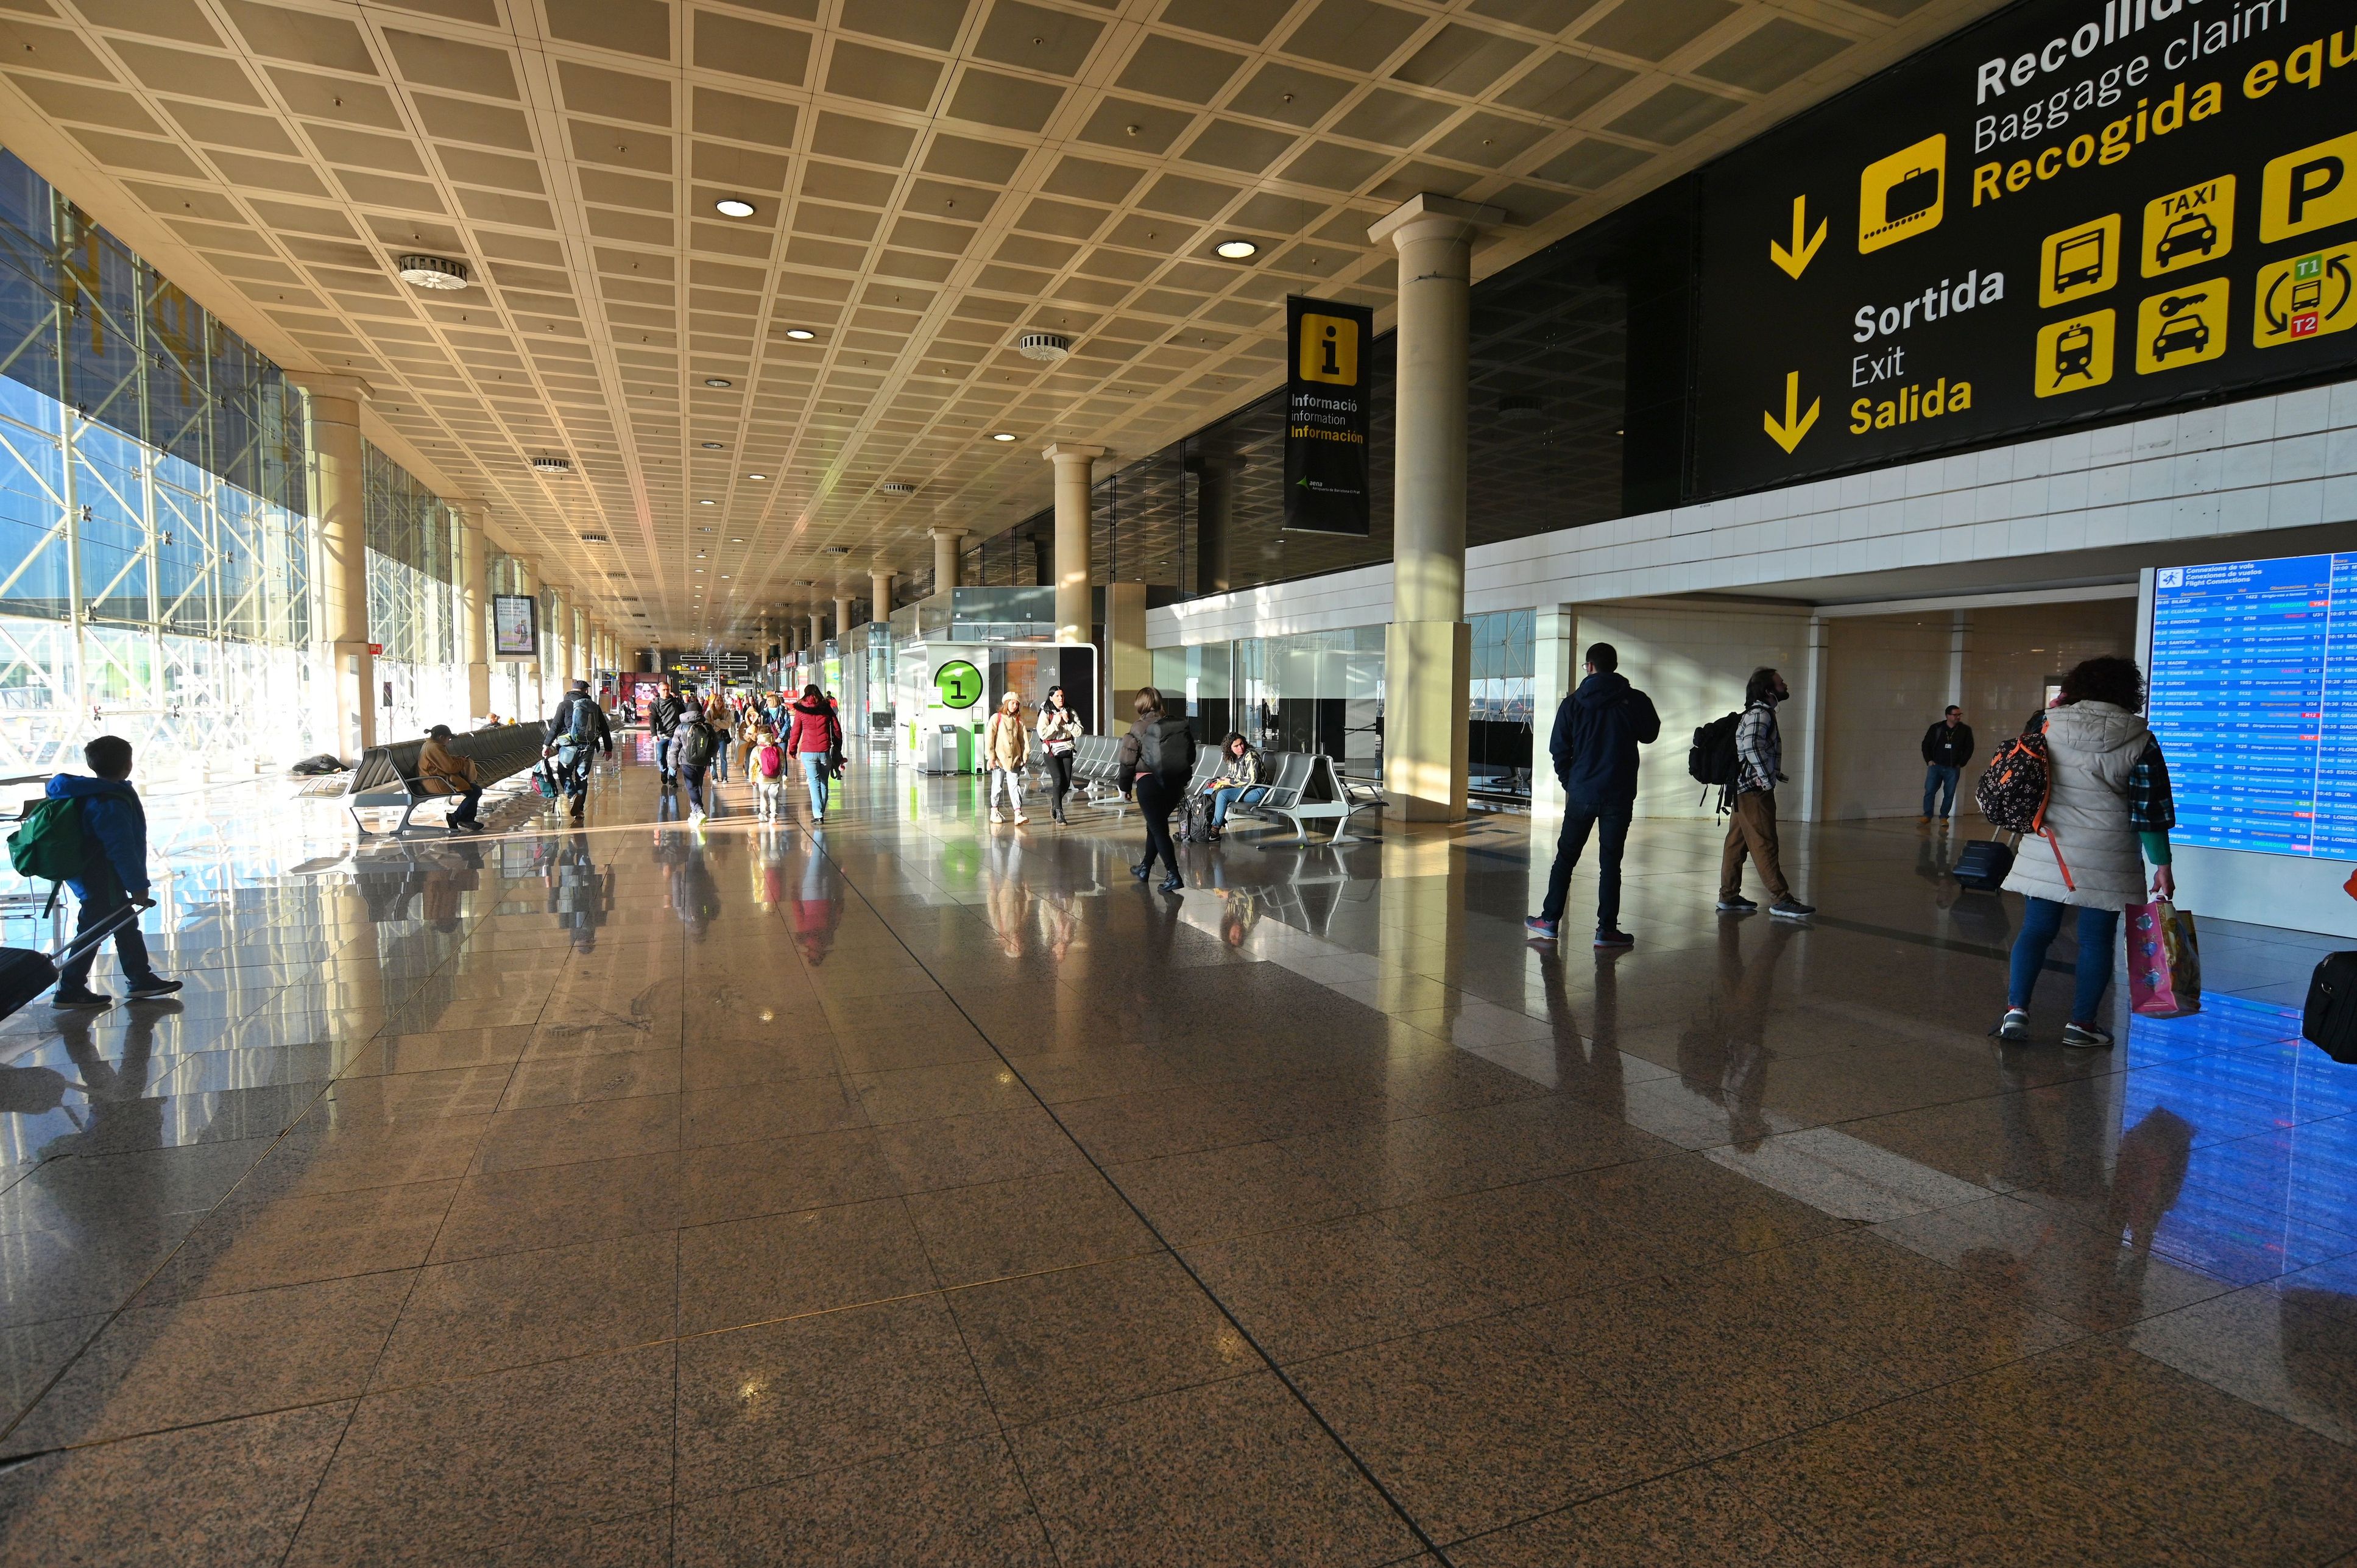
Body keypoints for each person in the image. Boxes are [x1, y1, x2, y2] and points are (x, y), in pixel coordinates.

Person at [1995, 657, 2174, 1049]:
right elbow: (2150, 810)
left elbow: (2025, 775)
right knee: (2096, 941)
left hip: (2049, 846)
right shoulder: (2141, 738)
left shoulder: (2044, 724)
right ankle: (2081, 1025)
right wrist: (2162, 863)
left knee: (2036, 930)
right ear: (2130, 692)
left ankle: (2016, 1012)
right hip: (2108, 853)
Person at [1527, 642, 1660, 948]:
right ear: (1614, 666)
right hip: (1619, 793)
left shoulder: (1572, 703)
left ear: (1589, 667)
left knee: (1565, 858)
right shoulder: (1635, 699)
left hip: (1582, 793)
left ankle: (1549, 921)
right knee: (1611, 862)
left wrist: (1570, 782)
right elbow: (1650, 733)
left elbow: (1558, 749)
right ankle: (1606, 930)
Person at [46, 735, 180, 1006]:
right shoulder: (110, 801)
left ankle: (140, 979)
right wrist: (138, 884)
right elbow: (120, 847)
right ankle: (70, 988)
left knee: (123, 925)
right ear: (127, 765)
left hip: (88, 872)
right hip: (103, 876)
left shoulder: (86, 792)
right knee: (94, 929)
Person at [1717, 666, 1815, 920]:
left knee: (1736, 844)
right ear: (1769, 690)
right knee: (1765, 843)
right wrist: (1765, 778)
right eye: (1781, 683)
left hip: (1742, 788)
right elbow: (1751, 744)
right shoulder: (1761, 714)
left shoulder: (1756, 713)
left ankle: (1728, 895)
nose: (1785, 686)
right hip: (1753, 790)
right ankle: (1781, 899)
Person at [1118, 685, 1196, 894]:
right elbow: (1190, 755)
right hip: (1174, 785)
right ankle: (1145, 868)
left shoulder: (1138, 727)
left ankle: (1173, 875)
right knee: (1155, 826)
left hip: (1149, 784)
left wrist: (1125, 787)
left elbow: (1127, 760)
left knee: (1158, 829)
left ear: (1140, 705)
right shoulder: (1174, 724)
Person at [545, 678, 612, 822]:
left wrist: (547, 744)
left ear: (571, 690)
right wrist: (608, 748)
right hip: (588, 746)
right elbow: (604, 728)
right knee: (582, 777)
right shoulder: (594, 706)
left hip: (568, 746)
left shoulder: (564, 704)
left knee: (564, 774)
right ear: (586, 691)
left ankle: (572, 794)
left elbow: (556, 725)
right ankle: (579, 811)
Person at [417, 724, 486, 834]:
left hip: (438, 779)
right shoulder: (434, 747)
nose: (449, 741)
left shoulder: (432, 745)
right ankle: (456, 818)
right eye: (448, 738)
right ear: (441, 737)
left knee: (475, 790)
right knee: (475, 791)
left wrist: (457, 760)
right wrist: (462, 762)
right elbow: (450, 768)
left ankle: (465, 819)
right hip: (436, 782)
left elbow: (445, 764)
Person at [785, 684, 836, 823]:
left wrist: (792, 749)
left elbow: (795, 731)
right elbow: (837, 728)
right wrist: (838, 746)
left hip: (808, 752)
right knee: (824, 782)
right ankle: (820, 812)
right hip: (824, 751)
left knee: (814, 782)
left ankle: (818, 815)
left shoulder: (801, 711)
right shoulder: (826, 708)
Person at [1920, 704, 1976, 824]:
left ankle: (1944, 816)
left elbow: (1969, 748)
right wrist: (1929, 760)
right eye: (1955, 715)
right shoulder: (1937, 728)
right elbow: (1926, 744)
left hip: (1953, 768)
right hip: (1936, 766)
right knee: (1930, 791)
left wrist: (1961, 763)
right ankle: (1927, 815)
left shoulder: (1964, 730)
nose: (1958, 717)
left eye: (1959, 715)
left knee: (1949, 793)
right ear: (1948, 716)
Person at [1036, 685, 1083, 824]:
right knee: (1057, 780)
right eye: (1057, 696)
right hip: (1051, 751)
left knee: (1066, 783)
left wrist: (1068, 722)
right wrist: (1055, 723)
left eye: (1062, 695)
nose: (1061, 698)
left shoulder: (1071, 711)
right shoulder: (1046, 712)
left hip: (1066, 749)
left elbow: (1079, 732)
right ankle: (1060, 813)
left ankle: (1054, 800)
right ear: (1051, 698)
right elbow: (1043, 733)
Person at [984, 690, 1030, 825]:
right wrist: (991, 757)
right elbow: (989, 739)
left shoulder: (1019, 720)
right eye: (1012, 703)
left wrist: (1025, 755)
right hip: (999, 759)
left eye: (1017, 704)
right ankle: (994, 811)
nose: (1015, 706)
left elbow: (1023, 740)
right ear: (1006, 703)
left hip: (1015, 759)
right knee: (997, 785)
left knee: (1015, 786)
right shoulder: (996, 718)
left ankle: (1018, 813)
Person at [1204, 733, 1260, 842]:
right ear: (1229, 748)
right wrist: (1220, 781)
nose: (1241, 748)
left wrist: (1229, 782)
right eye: (1236, 746)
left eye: (1242, 744)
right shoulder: (1231, 757)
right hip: (1240, 789)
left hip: (1256, 790)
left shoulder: (1251, 755)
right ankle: (1205, 824)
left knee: (1222, 795)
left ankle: (1215, 831)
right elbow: (1233, 775)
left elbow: (1251, 780)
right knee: (1208, 792)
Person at [674, 697, 721, 824]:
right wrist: (710, 756)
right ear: (701, 712)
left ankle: (699, 810)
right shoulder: (708, 727)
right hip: (702, 761)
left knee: (691, 786)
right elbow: (716, 745)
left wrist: (673, 764)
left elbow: (674, 747)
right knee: (697, 785)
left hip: (686, 761)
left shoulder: (681, 727)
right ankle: (695, 812)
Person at [650, 681, 684, 783]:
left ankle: (673, 778)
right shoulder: (655, 704)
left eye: (668, 689)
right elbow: (652, 719)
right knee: (661, 757)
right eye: (664, 690)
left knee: (674, 757)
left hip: (675, 734)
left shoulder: (676, 702)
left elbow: (683, 714)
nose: (666, 692)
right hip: (662, 735)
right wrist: (654, 734)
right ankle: (664, 771)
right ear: (659, 691)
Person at [752, 726, 788, 822]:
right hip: (775, 778)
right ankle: (774, 814)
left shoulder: (757, 750)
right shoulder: (778, 749)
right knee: (774, 797)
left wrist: (753, 778)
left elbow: (753, 766)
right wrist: (780, 773)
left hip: (762, 778)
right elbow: (782, 763)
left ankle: (764, 814)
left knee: (763, 797)